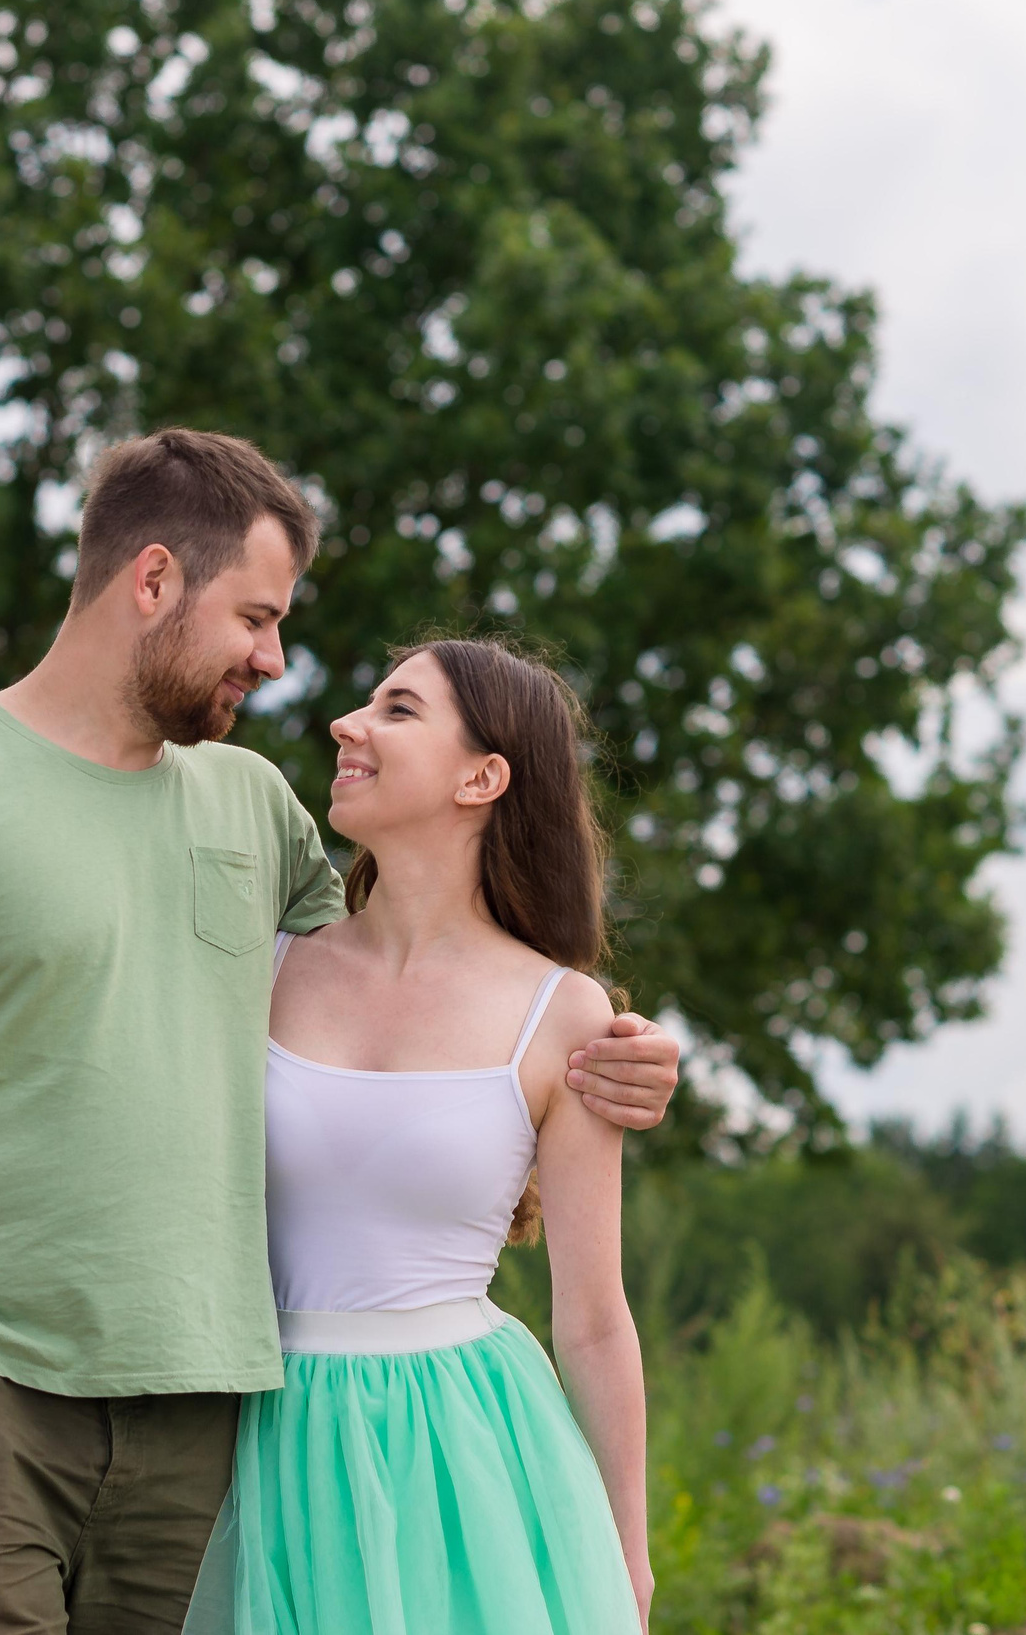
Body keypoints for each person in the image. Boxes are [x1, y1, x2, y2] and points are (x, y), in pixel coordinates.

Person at [0, 427, 683, 1634]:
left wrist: (626, 1051)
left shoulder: (251, 806)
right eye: (255, 616)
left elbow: (418, 981)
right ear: (153, 581)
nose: (280, 660)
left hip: (206, 1412)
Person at [183, 636, 652, 1635]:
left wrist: (627, 1550)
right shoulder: (260, 968)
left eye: (396, 710)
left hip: (464, 1447)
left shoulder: (562, 1013)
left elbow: (594, 1317)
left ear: (481, 776)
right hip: (263, 1435)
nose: (345, 725)